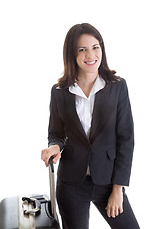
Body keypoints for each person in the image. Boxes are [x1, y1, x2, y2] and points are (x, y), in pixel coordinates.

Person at [41, 23, 140, 229]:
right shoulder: (59, 91)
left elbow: (126, 139)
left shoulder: (117, 87)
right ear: (72, 54)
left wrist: (118, 189)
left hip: (107, 181)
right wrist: (55, 146)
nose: (91, 55)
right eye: (82, 49)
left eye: (95, 47)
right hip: (71, 184)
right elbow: (56, 133)